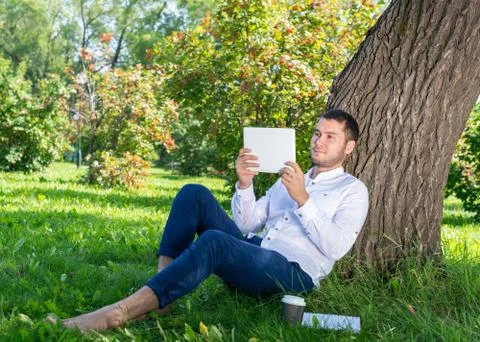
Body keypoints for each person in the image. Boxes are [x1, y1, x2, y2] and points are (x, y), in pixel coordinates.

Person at [48, 108, 369, 331]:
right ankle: (162, 299)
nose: (318, 141)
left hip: (293, 275)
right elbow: (247, 225)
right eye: (316, 133)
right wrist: (244, 184)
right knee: (193, 193)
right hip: (256, 253)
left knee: (215, 242)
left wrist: (303, 199)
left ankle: (116, 315)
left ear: (349, 146)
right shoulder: (291, 175)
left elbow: (336, 246)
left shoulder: (352, 190)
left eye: (330, 137)